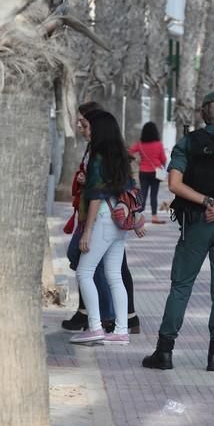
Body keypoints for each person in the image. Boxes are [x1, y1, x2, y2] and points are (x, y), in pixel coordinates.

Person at [142, 90, 214, 371]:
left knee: (181, 286)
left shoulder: (189, 143)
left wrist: (207, 202)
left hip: (196, 223)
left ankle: (164, 351)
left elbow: (174, 184)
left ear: (203, 113)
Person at [63, 104, 142, 334]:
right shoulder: (120, 155)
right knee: (115, 275)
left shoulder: (98, 157)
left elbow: (96, 195)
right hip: (118, 221)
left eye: (86, 125)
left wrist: (86, 232)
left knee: (84, 272)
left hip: (103, 218)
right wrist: (135, 217)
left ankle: (96, 326)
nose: (83, 128)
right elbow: (131, 190)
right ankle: (121, 330)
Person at [129, 122, 168, 224]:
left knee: (143, 194)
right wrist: (161, 166)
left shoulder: (140, 145)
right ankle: (154, 216)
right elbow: (163, 159)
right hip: (156, 173)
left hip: (143, 172)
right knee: (154, 195)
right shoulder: (159, 145)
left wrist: (137, 160)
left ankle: (138, 216)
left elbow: (129, 151)